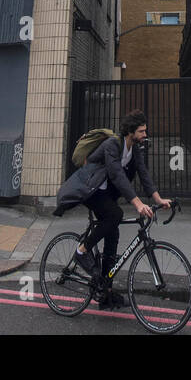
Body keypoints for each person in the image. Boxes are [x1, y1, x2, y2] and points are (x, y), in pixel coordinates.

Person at [55, 110, 172, 308]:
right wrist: (137, 204)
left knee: (113, 234)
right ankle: (82, 251)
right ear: (130, 132)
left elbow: (143, 173)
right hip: (91, 191)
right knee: (115, 214)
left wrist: (158, 199)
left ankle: (105, 291)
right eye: (142, 131)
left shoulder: (133, 148)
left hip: (106, 193)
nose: (145, 135)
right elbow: (117, 175)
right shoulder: (112, 145)